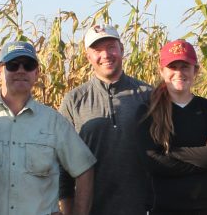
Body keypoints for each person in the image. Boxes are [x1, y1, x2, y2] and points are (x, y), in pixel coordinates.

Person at [0, 41, 97, 215]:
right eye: (12, 65)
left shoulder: (54, 122)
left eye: (28, 65)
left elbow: (84, 168)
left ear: (36, 73)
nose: (21, 70)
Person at [59, 24, 152, 215]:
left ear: (122, 49)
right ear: (88, 57)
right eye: (97, 50)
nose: (106, 55)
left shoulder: (148, 95)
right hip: (91, 209)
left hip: (140, 208)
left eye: (111, 47)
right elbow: (62, 164)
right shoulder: (74, 100)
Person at [136, 39, 207, 215]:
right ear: (162, 70)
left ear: (196, 70)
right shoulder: (148, 112)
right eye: (173, 67)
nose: (179, 73)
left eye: (185, 66)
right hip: (164, 208)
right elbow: (152, 163)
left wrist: (169, 153)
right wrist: (204, 157)